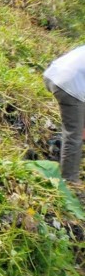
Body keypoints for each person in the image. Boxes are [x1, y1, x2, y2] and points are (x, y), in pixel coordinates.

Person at [43, 46, 85, 186]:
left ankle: (59, 148)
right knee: (74, 135)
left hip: (52, 74)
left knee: (77, 127)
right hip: (70, 85)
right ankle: (70, 181)